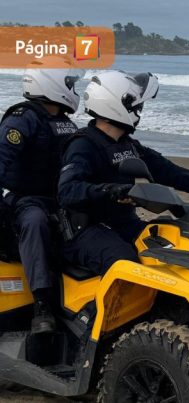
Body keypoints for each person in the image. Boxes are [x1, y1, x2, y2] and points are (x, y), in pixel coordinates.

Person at [58, 71, 189, 276]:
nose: (139, 111)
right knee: (125, 263)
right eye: (137, 107)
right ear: (115, 104)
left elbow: (164, 169)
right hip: (86, 229)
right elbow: (68, 191)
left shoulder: (126, 144)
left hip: (122, 223)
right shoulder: (83, 145)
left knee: (173, 244)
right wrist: (111, 190)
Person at [0, 64, 80, 334]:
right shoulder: (22, 119)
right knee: (35, 222)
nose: (72, 89)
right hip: (25, 200)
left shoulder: (65, 123)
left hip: (59, 197)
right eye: (69, 83)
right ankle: (42, 304)